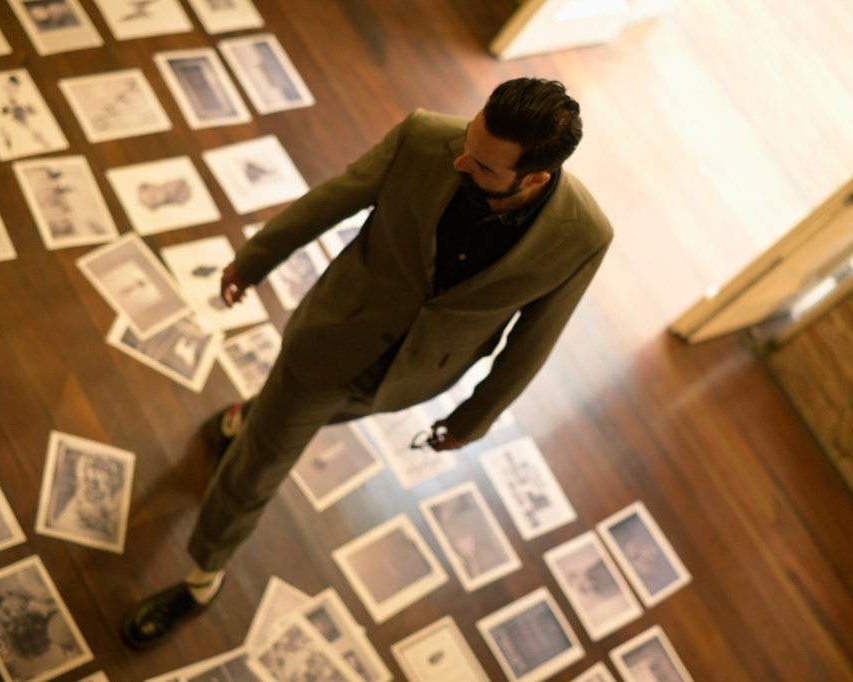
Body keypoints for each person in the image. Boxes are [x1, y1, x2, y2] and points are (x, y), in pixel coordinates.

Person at [120, 77, 613, 649]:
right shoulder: (423, 137)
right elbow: (332, 199)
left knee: (282, 421)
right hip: (332, 337)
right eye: (469, 140)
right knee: (258, 468)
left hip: (409, 381)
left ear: (534, 179)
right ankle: (203, 579)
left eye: (481, 164)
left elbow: (534, 341)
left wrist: (472, 419)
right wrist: (254, 260)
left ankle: (240, 420)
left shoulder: (585, 238)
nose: (460, 160)